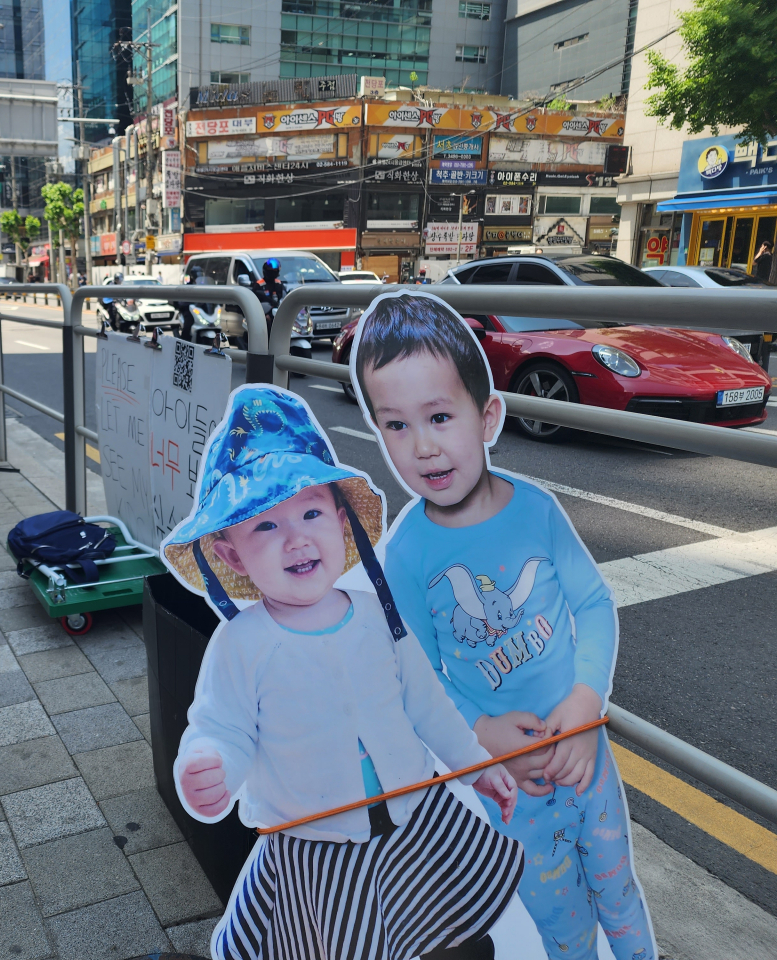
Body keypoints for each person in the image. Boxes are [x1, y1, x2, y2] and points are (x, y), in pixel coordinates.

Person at [164, 384, 525, 960]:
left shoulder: (378, 615)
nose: (297, 538)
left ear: (341, 521)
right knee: (338, 944)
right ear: (231, 556)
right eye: (265, 526)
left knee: (442, 931)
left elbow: (425, 702)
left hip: (417, 826)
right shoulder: (243, 643)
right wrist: (209, 770)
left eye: (310, 513)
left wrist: (473, 765)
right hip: (317, 848)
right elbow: (222, 728)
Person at [353, 293, 657, 960]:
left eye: (438, 415)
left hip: (586, 758)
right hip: (510, 789)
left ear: (486, 416)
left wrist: (585, 701)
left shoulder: (537, 510)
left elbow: (593, 604)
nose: (423, 446)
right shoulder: (406, 556)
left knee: (620, 893)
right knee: (564, 927)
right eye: (396, 426)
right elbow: (415, 676)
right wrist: (480, 735)